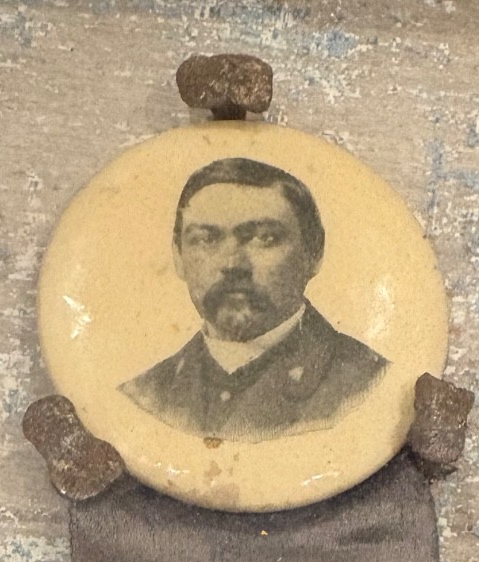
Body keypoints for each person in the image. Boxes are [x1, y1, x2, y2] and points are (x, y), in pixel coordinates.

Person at [121, 157, 388, 441]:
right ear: (178, 256)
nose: (233, 263)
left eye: (265, 238)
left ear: (314, 253)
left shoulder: (366, 384)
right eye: (206, 239)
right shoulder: (146, 394)